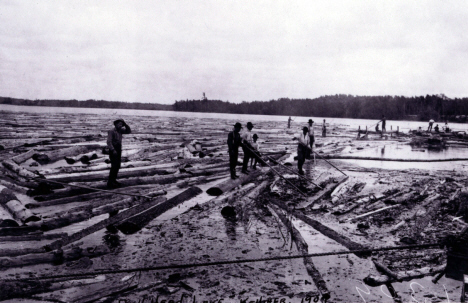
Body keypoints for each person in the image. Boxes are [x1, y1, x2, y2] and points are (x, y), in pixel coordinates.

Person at [107, 118, 131, 188]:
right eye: (119, 124)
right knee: (114, 166)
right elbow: (109, 142)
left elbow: (129, 131)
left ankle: (114, 180)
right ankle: (110, 182)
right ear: (116, 124)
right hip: (113, 149)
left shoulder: (120, 130)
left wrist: (125, 124)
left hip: (118, 149)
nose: (120, 125)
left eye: (121, 124)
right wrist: (113, 150)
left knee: (117, 166)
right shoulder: (111, 131)